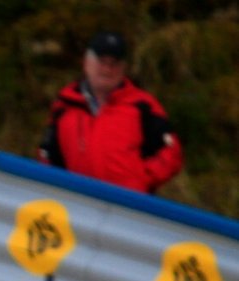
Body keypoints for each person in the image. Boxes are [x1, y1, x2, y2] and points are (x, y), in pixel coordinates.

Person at [38, 30, 183, 193]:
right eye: (102, 61)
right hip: (79, 206)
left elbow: (172, 152)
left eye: (114, 63)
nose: (107, 69)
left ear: (123, 68)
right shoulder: (64, 105)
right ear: (87, 62)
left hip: (128, 208)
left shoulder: (142, 105)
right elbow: (47, 155)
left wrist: (141, 180)